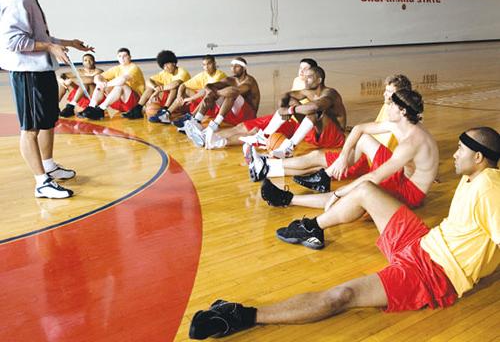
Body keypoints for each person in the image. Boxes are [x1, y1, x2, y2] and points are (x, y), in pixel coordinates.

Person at [189, 127, 500, 340]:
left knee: (343, 295)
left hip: (432, 273)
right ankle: (313, 227)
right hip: (423, 241)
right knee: (366, 190)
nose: (454, 155)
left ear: (479, 157)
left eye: (461, 149)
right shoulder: (476, 177)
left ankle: (241, 316)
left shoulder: (489, 187)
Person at [0, 0, 94, 198]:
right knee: (29, 129)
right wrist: (51, 46)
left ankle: (49, 166)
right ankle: (41, 183)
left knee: (47, 122)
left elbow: (38, 37)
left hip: (40, 70)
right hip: (27, 74)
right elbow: (14, 41)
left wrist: (67, 43)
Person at [260, 89, 436, 211]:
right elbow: (359, 129)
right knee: (364, 139)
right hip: (400, 174)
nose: (387, 106)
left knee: (355, 191)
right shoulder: (401, 123)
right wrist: (343, 158)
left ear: (403, 111)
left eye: (392, 105)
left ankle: (287, 199)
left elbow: (374, 177)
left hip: (409, 192)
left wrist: (339, 192)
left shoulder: (412, 142)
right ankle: (324, 176)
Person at [250, 74, 413, 185]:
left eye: (390, 92)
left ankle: (266, 164)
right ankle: (267, 170)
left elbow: (409, 145)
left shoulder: (401, 117)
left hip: (373, 162)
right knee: (316, 166)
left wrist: (415, 171)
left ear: (401, 95)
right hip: (368, 156)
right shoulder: (392, 107)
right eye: (386, 90)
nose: (385, 94)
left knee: (316, 158)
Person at [244, 65, 346, 168]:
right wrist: (283, 108)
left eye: (309, 77)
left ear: (319, 80)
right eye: (304, 77)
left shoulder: (330, 93)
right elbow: (286, 95)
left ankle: (289, 147)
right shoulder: (308, 91)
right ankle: (265, 135)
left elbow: (316, 106)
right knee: (291, 101)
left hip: (335, 139)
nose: (305, 80)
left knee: (314, 112)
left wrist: (290, 110)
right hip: (316, 136)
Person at [207, 58, 318, 148]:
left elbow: (311, 113)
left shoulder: (315, 91)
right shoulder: (297, 80)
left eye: (305, 69)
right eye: (300, 68)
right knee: (241, 126)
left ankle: (219, 142)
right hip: (284, 115)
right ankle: (207, 137)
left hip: (293, 124)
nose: (301, 71)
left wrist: (292, 106)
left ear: (313, 73)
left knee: (257, 134)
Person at [183, 57, 260, 149]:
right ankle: (196, 121)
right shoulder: (230, 79)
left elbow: (234, 91)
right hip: (234, 117)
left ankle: (213, 126)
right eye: (232, 66)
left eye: (237, 66)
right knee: (212, 91)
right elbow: (209, 86)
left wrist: (216, 93)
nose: (233, 69)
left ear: (244, 68)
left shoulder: (249, 81)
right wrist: (211, 92)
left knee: (231, 93)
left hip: (248, 117)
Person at [78, 47, 145, 120]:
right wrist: (100, 82)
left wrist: (105, 84)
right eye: (120, 56)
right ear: (117, 57)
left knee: (121, 85)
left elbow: (122, 80)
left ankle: (101, 109)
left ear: (130, 57)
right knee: (101, 83)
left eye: (125, 56)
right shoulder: (117, 68)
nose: (122, 58)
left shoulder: (134, 68)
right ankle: (91, 107)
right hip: (120, 103)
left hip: (134, 104)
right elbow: (97, 76)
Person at [121, 50, 190, 120]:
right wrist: (155, 87)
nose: (166, 67)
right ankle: (138, 109)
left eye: (167, 64)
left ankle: (165, 111)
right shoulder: (164, 73)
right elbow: (148, 81)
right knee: (153, 85)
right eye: (164, 66)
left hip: (183, 101)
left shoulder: (182, 71)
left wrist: (159, 89)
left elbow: (176, 83)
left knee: (174, 87)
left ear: (174, 63)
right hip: (171, 101)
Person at [162, 55, 227, 126]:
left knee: (207, 94)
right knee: (185, 90)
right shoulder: (203, 74)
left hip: (217, 104)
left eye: (209, 64)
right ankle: (167, 113)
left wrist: (191, 98)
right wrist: (179, 96)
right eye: (204, 65)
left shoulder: (219, 75)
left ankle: (192, 116)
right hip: (206, 101)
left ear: (214, 63)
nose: (206, 67)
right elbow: (183, 85)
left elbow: (206, 91)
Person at [58, 53, 103, 117]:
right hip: (80, 94)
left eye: (90, 60)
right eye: (85, 60)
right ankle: (54, 106)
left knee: (85, 84)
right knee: (64, 83)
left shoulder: (99, 71)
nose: (88, 62)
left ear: (94, 61)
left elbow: (91, 79)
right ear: (83, 62)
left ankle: (71, 106)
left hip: (92, 96)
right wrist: (60, 79)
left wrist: (72, 79)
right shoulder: (80, 71)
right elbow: (63, 75)